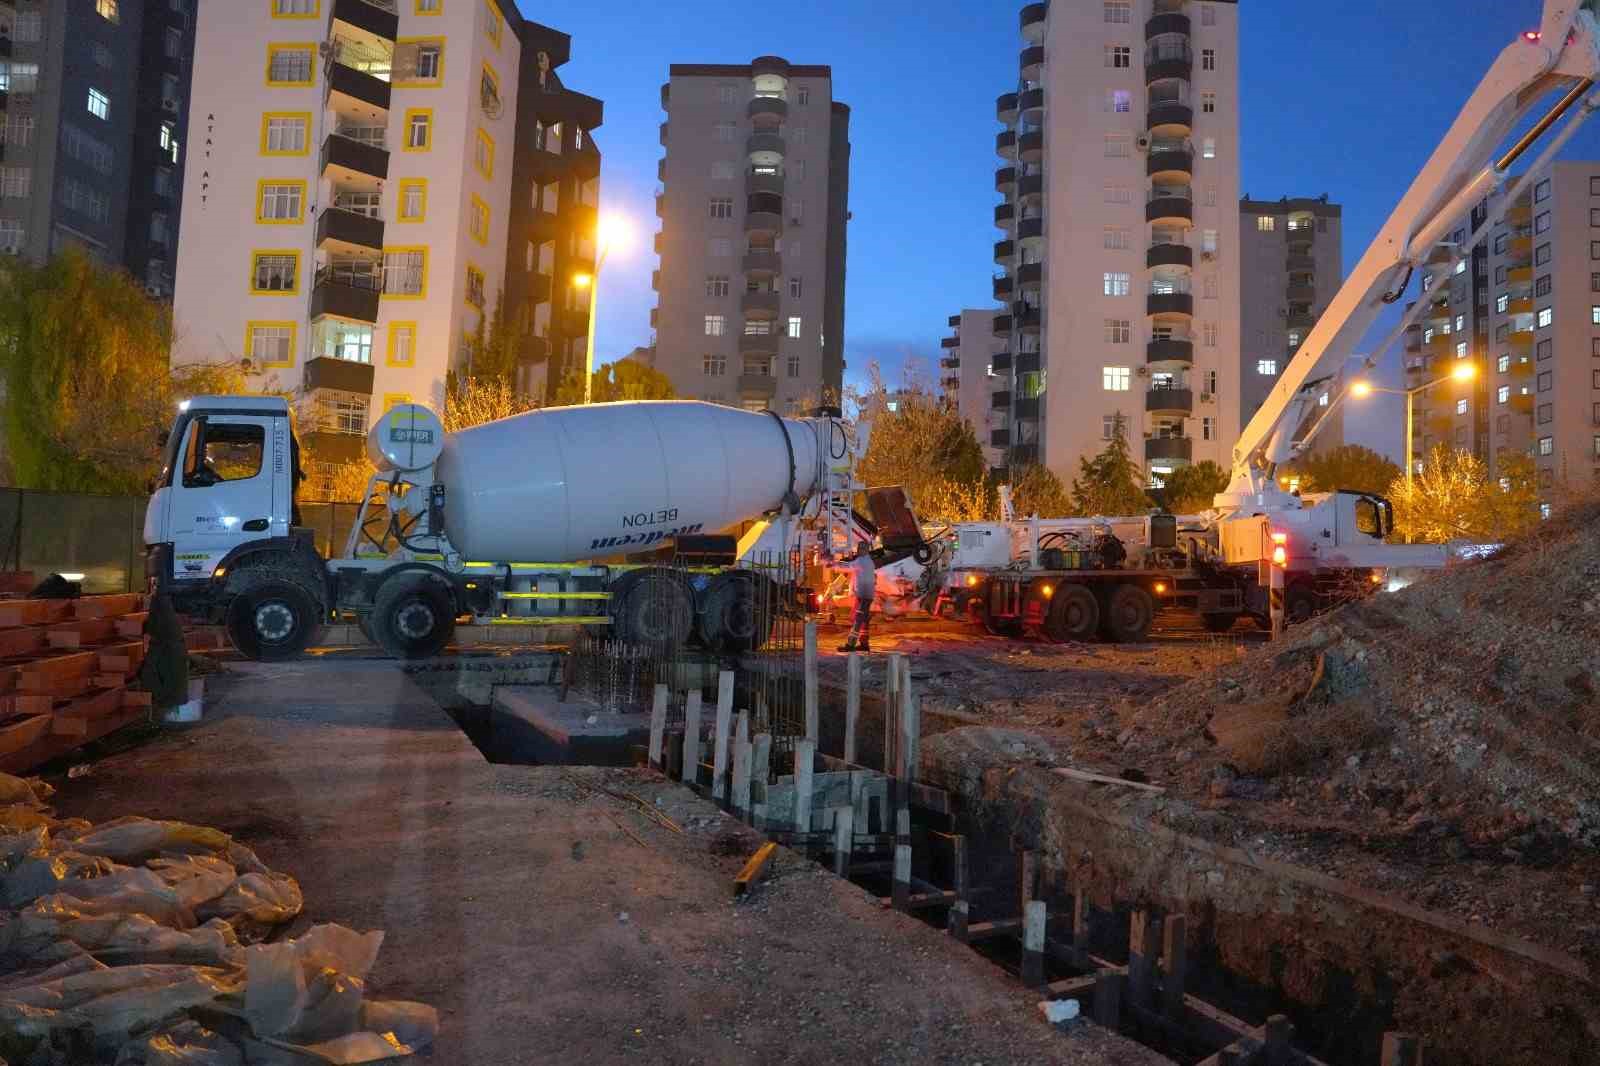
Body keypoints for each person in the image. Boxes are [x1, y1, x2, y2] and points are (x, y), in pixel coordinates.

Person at [838, 543, 877, 653]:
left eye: (860, 549)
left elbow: (848, 566)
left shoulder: (862, 561)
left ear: (865, 550)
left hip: (864, 595)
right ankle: (864, 643)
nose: (858, 551)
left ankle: (850, 644)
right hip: (867, 594)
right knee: (864, 620)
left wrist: (834, 562)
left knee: (858, 620)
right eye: (858, 549)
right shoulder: (869, 561)